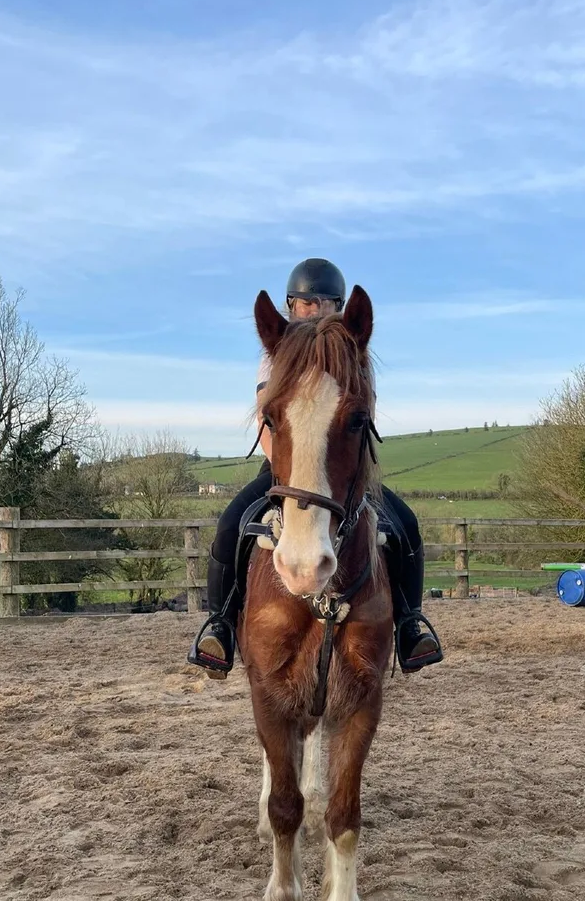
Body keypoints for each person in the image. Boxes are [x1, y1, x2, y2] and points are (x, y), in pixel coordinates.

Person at [188, 258, 442, 678]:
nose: (315, 310)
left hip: (340, 469)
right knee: (231, 524)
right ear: (291, 305)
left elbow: (361, 415)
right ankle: (220, 625)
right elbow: (267, 419)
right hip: (285, 468)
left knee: (406, 526)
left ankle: (410, 623)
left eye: (326, 303)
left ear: (339, 307)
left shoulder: (353, 355)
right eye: (306, 303)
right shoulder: (276, 355)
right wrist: (289, 471)